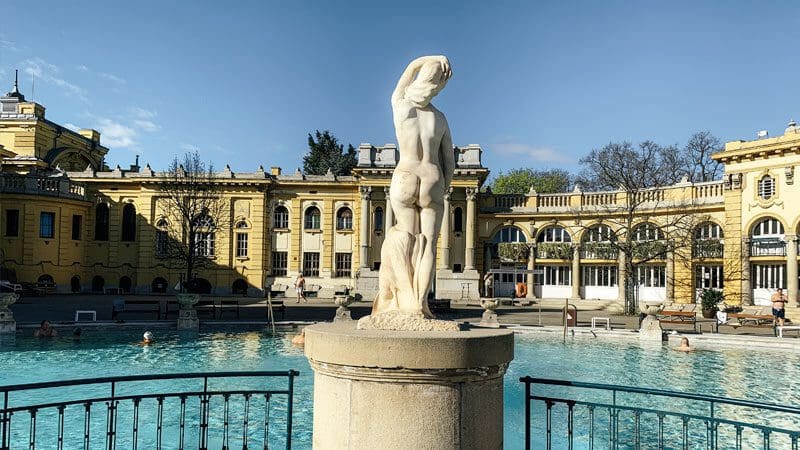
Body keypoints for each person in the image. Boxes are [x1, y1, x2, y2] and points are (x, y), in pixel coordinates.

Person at [373, 55, 454, 318]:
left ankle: (404, 299)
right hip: (431, 176)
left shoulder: (401, 105)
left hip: (405, 174)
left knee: (406, 239)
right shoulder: (440, 118)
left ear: (421, 78)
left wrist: (432, 59)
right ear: (440, 85)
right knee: (428, 244)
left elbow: (406, 74)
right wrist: (444, 186)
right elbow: (449, 161)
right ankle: (419, 304)